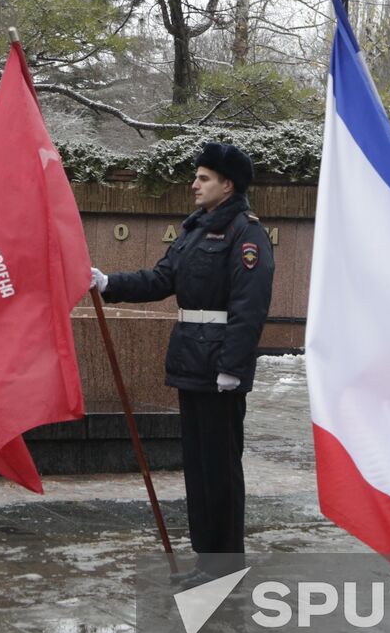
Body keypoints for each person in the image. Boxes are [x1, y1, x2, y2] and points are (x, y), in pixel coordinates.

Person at [90, 142, 274, 583]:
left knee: (220, 469)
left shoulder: (247, 235)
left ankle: (224, 562)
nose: (194, 184)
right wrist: (108, 282)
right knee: (198, 466)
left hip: (219, 368)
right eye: (197, 176)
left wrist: (233, 365)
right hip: (192, 359)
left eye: (204, 178)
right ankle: (206, 558)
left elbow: (250, 308)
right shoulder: (194, 230)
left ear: (227, 184)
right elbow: (162, 279)